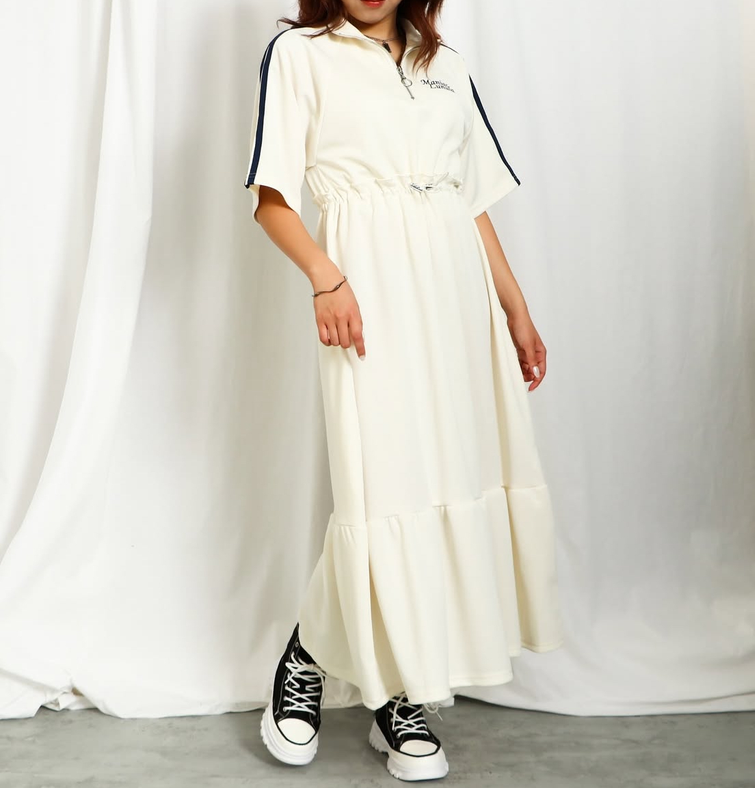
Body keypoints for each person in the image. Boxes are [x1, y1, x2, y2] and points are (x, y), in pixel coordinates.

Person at [244, 0, 564, 781]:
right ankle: (310, 657)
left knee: (443, 483)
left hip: (456, 296)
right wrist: (326, 278)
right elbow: (271, 200)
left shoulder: (445, 65)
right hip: (370, 290)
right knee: (381, 488)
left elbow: (470, 201)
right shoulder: (301, 55)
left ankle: (402, 691)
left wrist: (516, 309)